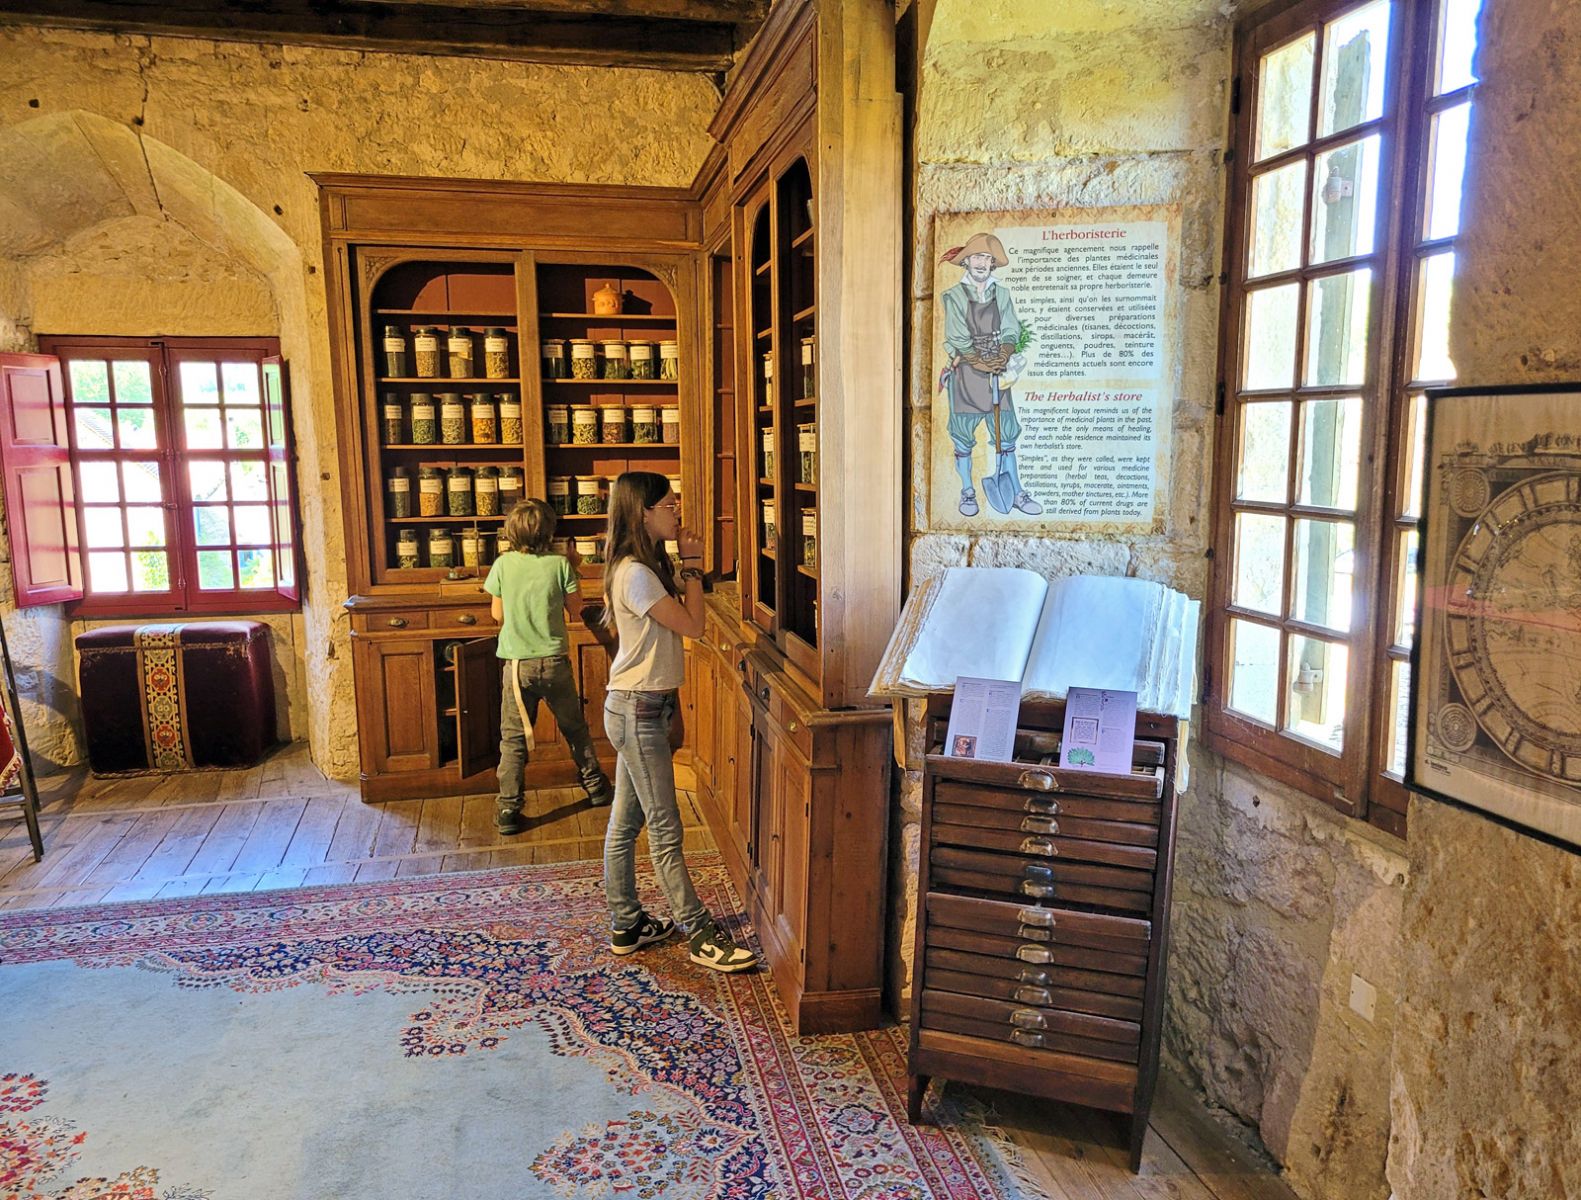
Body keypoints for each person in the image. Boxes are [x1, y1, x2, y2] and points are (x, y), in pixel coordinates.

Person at [599, 471, 758, 972]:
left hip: (641, 707)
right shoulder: (636, 574)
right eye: (670, 504)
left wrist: (683, 564)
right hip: (637, 711)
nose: (678, 511)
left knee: (626, 824)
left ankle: (627, 924)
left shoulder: (643, 566)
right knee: (666, 830)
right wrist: (692, 566)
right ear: (643, 512)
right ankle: (700, 933)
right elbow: (693, 626)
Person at [484, 498, 613, 835]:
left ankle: (509, 808)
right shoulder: (560, 565)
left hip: (517, 666)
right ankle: (596, 786)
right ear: (550, 532)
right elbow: (575, 609)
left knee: (513, 739)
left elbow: (497, 615)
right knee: (575, 728)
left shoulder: (502, 564)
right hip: (554, 662)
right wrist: (574, 566)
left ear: (510, 532)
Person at [940, 231, 1044, 517]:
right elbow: (956, 335)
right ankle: (967, 491)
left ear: (992, 263)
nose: (981, 263)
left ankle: (1017, 492)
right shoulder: (954, 296)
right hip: (966, 373)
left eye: (987, 258)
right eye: (976, 256)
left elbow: (1011, 327)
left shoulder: (1002, 294)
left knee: (1006, 434)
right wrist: (978, 361)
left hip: (998, 369)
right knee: (963, 436)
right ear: (966, 261)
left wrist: (1004, 354)